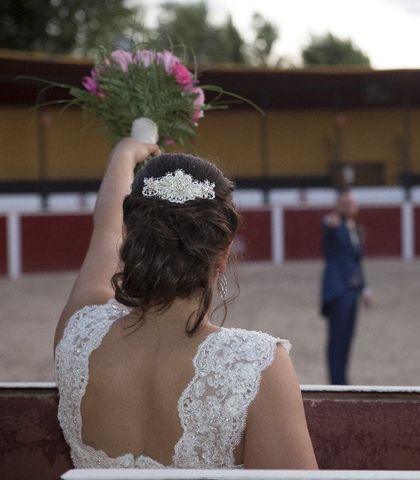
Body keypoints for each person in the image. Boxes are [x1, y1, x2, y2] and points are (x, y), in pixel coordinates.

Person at [53, 138, 318, 470]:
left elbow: (104, 231)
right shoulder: (260, 366)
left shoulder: (78, 334)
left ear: (130, 240)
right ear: (223, 254)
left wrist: (123, 154)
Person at [320, 188, 372, 385]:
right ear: (337, 206)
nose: (348, 206)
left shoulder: (356, 229)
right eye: (344, 203)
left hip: (352, 292)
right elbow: (327, 227)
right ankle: (337, 383)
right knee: (337, 341)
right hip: (337, 292)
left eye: (351, 203)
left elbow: (356, 263)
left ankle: (342, 381)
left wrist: (365, 288)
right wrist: (329, 225)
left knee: (346, 339)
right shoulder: (334, 225)